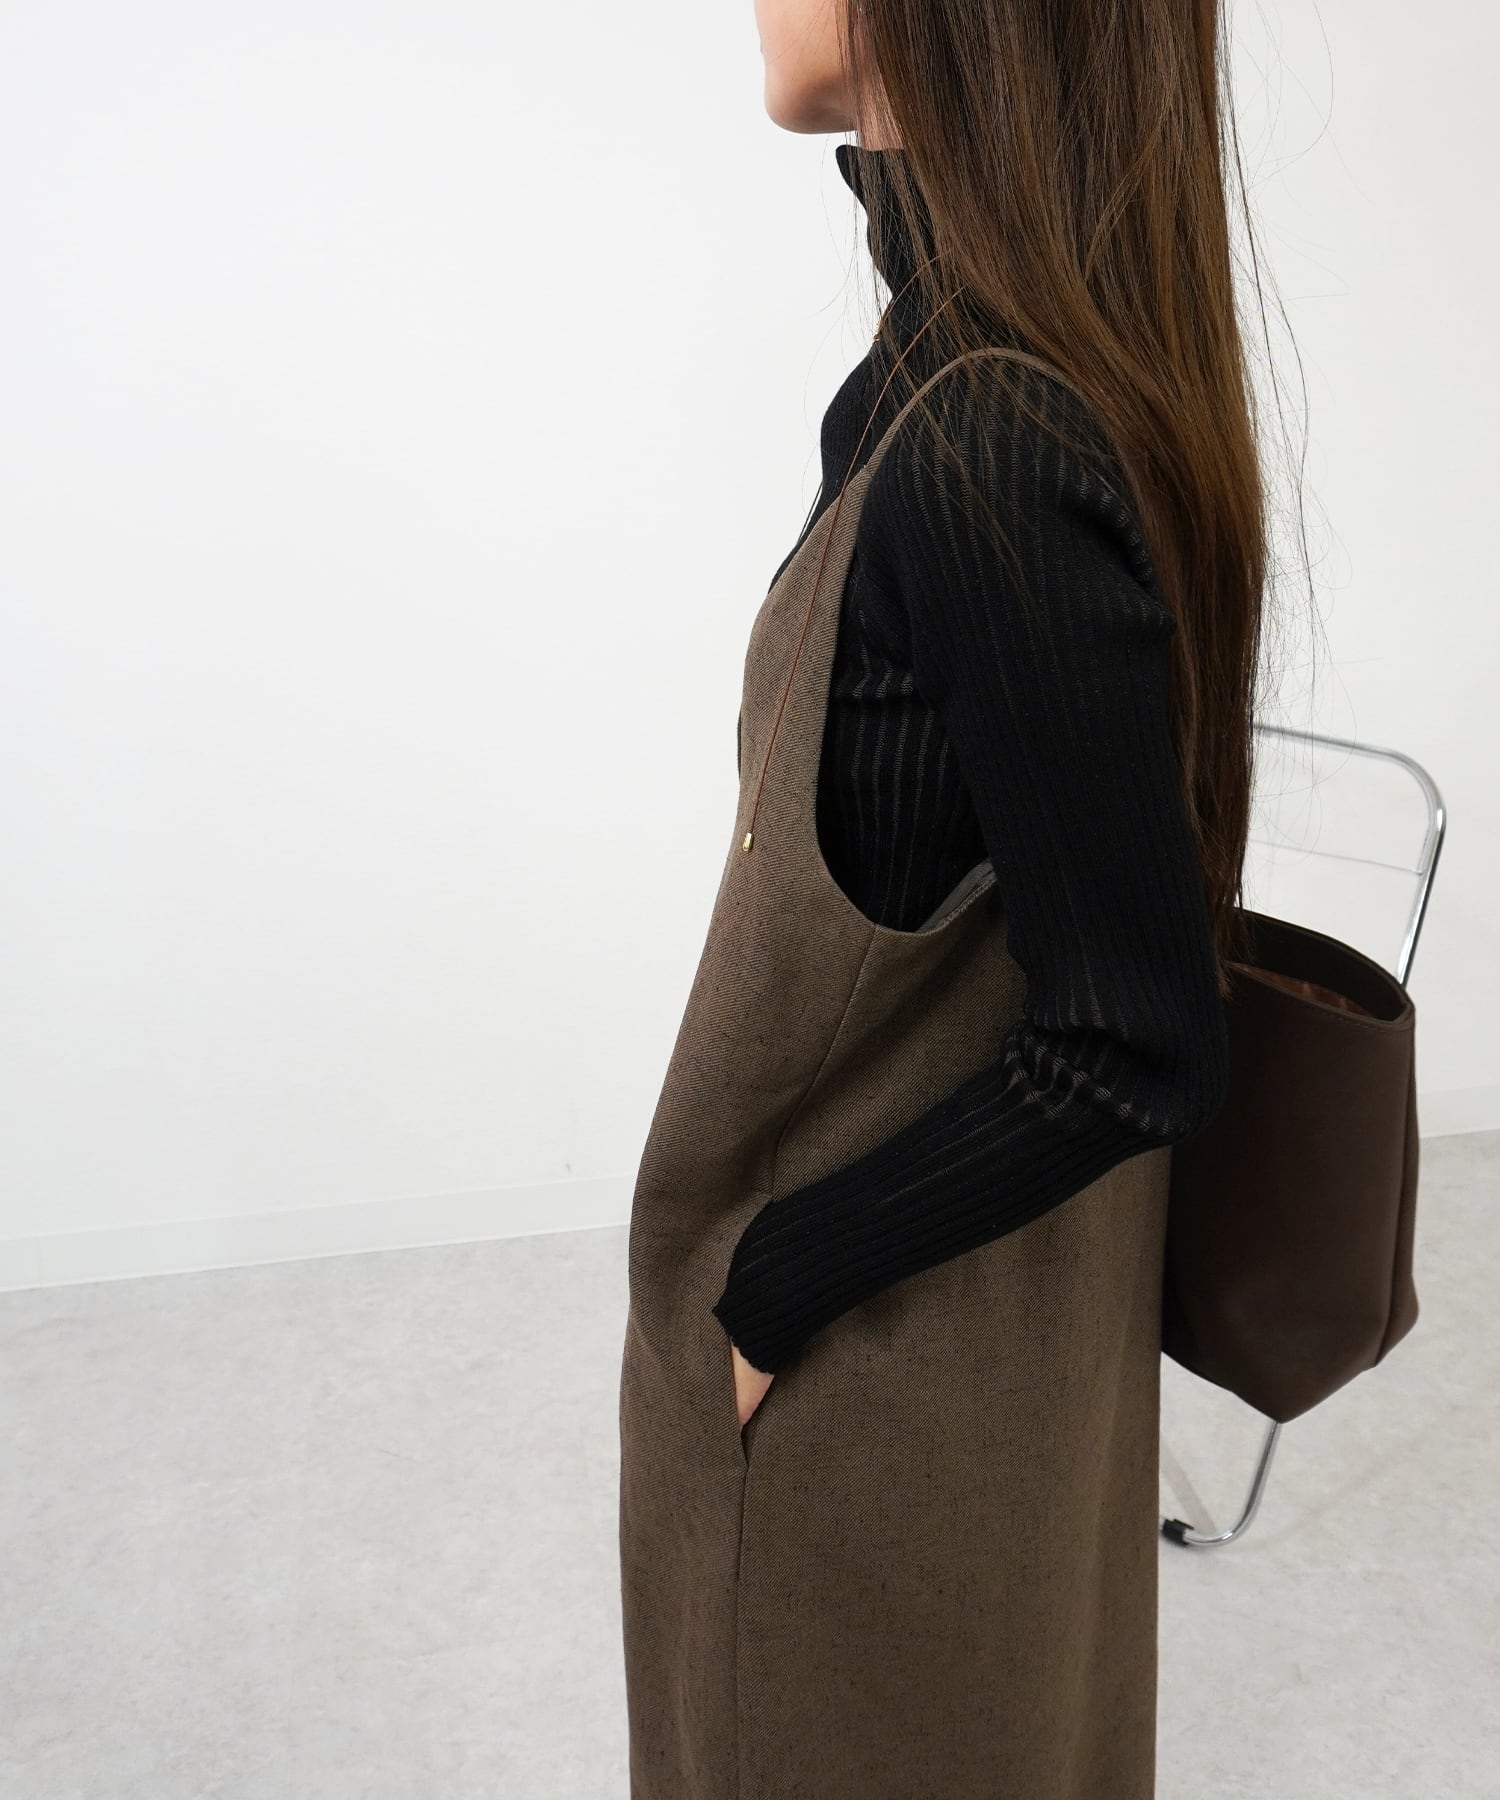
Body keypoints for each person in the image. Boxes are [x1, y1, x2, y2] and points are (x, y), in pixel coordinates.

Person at [618, 3, 1272, 1795]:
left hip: (882, 1374)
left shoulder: (986, 436)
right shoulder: (942, 381)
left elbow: (1136, 1036)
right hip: (940, 1350)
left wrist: (774, 1288)